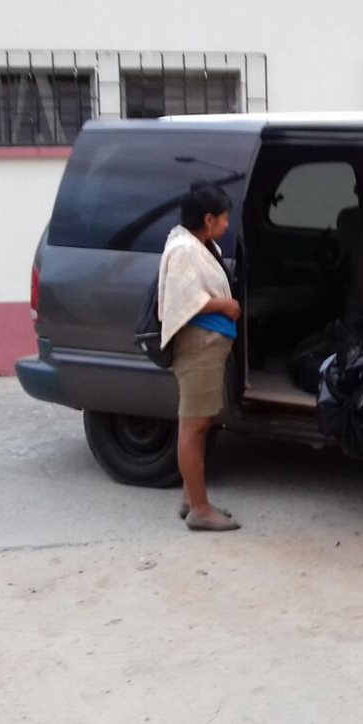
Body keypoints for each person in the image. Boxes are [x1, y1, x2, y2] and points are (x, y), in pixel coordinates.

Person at [158, 181, 243, 532]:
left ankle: (190, 498)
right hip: (198, 348)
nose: (227, 224)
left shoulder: (201, 245)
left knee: (198, 424)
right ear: (208, 219)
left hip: (208, 347)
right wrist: (225, 305)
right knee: (193, 428)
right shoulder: (184, 251)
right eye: (224, 218)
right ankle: (200, 511)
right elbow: (184, 301)